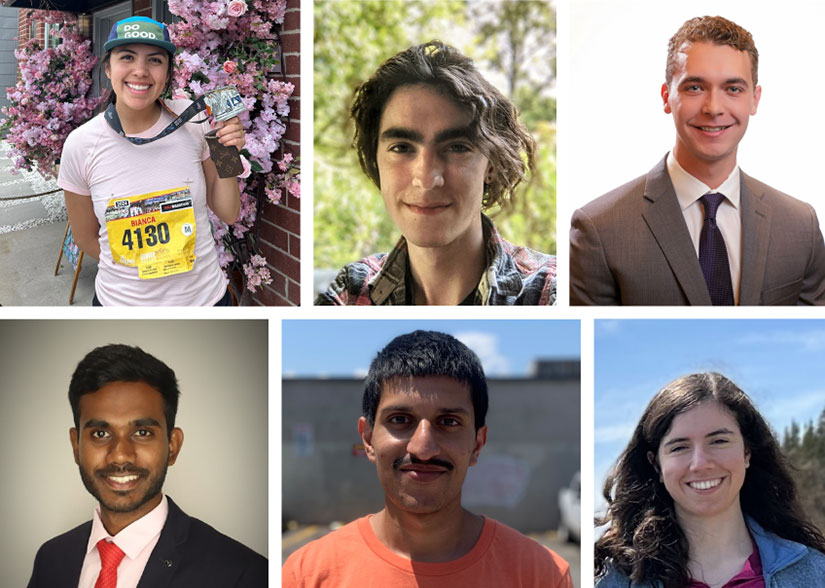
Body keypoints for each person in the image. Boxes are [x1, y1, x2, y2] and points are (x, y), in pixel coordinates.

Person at [282, 330, 572, 587]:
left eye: (448, 422)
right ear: (368, 439)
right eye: (399, 419)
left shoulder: (541, 575)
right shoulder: (306, 575)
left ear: (477, 444)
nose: (423, 448)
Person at [570, 15, 825, 306]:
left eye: (733, 89)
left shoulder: (800, 225)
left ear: (754, 99)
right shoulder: (600, 230)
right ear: (667, 97)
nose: (713, 108)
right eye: (695, 87)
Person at [315, 41, 556, 306]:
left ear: (491, 165)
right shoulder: (350, 293)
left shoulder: (550, 293)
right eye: (402, 148)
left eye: (456, 147)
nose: (427, 178)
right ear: (376, 158)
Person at [26, 344, 267, 587]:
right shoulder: (51, 559)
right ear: (76, 446)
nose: (120, 456)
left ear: (172, 446)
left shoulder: (241, 573)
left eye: (141, 432)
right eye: (100, 434)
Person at [58, 16, 246, 305]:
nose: (140, 71)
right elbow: (85, 238)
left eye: (155, 60)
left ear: (168, 72)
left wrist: (228, 151)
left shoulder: (194, 119)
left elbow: (229, 213)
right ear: (108, 68)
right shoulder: (80, 144)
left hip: (205, 300)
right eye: (127, 57)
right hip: (121, 304)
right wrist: (140, 264)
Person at [595, 372, 825, 587]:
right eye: (679, 447)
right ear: (656, 465)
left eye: (719, 441)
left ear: (747, 453)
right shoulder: (613, 578)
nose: (701, 463)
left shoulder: (814, 573)